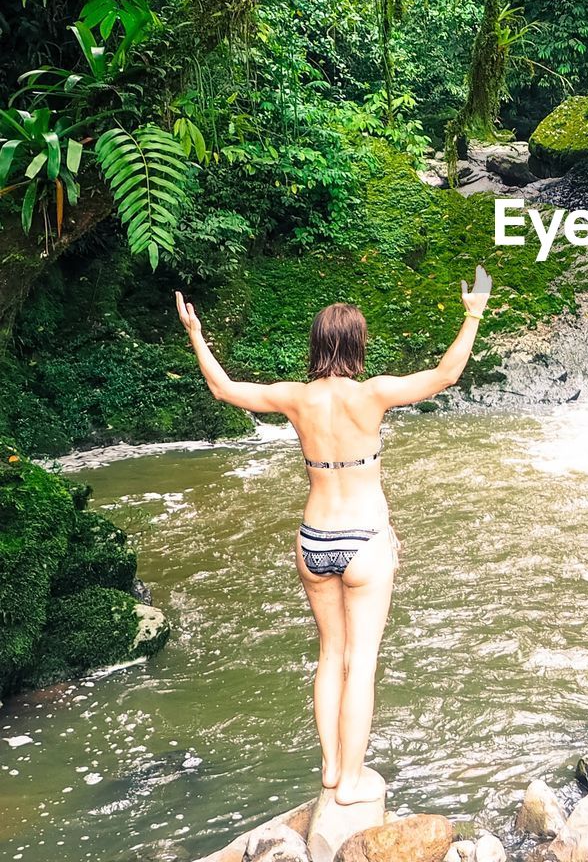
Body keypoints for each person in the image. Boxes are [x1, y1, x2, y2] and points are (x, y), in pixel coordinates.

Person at [174, 266, 492, 804]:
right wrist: (473, 313)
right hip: (365, 540)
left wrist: (196, 334)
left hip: (313, 539)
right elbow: (446, 375)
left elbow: (222, 388)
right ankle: (350, 780)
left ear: (318, 345)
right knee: (360, 663)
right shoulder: (373, 395)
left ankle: (328, 768)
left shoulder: (297, 398)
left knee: (329, 656)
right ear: (358, 343)